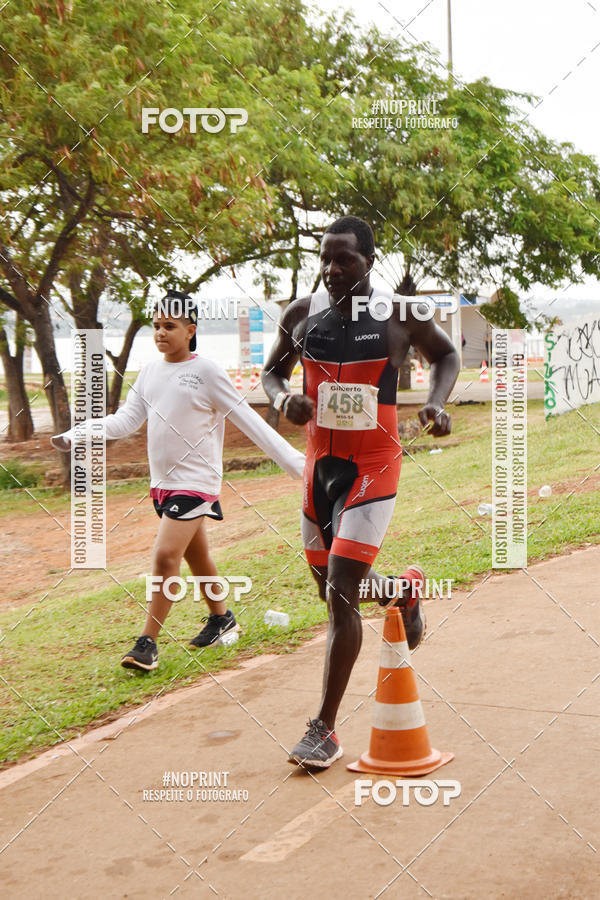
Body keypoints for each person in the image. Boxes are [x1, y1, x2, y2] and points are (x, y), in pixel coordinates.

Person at [262, 216, 460, 768]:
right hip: (318, 470)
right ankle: (402, 591)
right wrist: (283, 402)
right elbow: (272, 373)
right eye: (325, 258)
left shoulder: (401, 315)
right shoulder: (302, 316)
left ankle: (323, 729)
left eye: (343, 258)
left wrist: (437, 403)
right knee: (327, 584)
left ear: (369, 261)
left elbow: (446, 356)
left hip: (374, 466)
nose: (330, 269)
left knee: (340, 592)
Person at [52, 290, 305, 671]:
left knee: (165, 556)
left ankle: (147, 643)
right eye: (156, 326)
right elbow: (125, 422)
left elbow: (250, 423)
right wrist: (78, 434)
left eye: (169, 326)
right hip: (164, 484)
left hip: (197, 482)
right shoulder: (151, 372)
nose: (160, 333)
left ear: (190, 330)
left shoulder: (206, 372)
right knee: (197, 555)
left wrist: (302, 467)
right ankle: (222, 619)